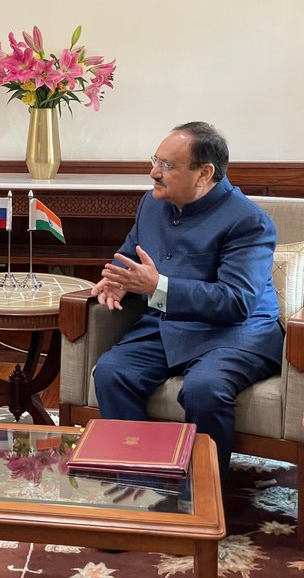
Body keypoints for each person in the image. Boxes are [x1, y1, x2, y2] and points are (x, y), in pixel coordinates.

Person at [90, 121, 284, 480]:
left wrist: (156, 286)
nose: (153, 173)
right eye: (155, 161)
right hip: (168, 327)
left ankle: (204, 496)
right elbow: (130, 252)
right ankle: (143, 483)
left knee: (204, 389)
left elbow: (236, 301)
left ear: (204, 173)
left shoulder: (249, 221)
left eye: (167, 166)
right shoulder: (152, 203)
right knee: (113, 372)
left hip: (235, 334)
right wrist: (118, 280)